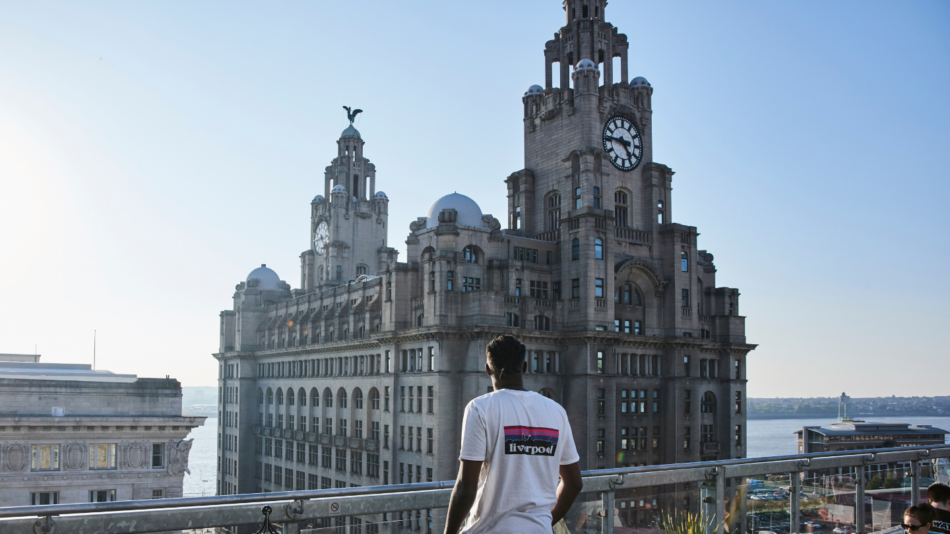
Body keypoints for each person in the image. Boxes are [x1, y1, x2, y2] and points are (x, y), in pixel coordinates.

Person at [443, 335, 583, 534]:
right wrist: (543, 523)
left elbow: (466, 487)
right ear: (525, 367)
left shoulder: (479, 408)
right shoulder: (556, 411)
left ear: (487, 369)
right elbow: (574, 483)